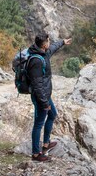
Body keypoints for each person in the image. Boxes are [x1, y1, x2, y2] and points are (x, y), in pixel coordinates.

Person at [27, 32, 72, 161]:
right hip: (40, 97)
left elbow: (53, 48)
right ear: (44, 44)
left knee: (52, 115)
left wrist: (62, 42)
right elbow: (37, 85)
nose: (50, 43)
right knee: (38, 124)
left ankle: (46, 144)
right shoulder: (36, 60)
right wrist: (44, 102)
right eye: (48, 41)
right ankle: (36, 154)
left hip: (46, 95)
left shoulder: (44, 53)